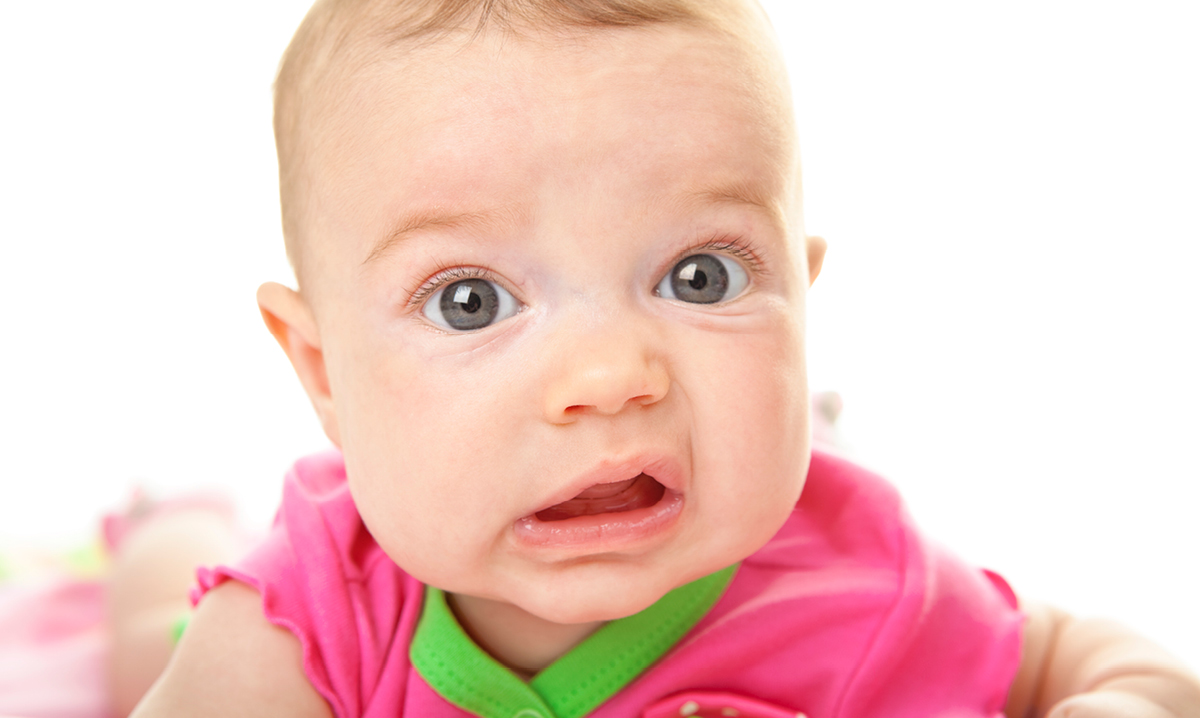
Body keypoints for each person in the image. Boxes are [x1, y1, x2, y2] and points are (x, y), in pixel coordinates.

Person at [128, 0, 1200, 716]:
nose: (609, 374)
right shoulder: (314, 609)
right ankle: (164, 528)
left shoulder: (858, 580)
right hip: (222, 595)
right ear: (322, 371)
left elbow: (1082, 657)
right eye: (471, 301)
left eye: (702, 279)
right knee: (144, 629)